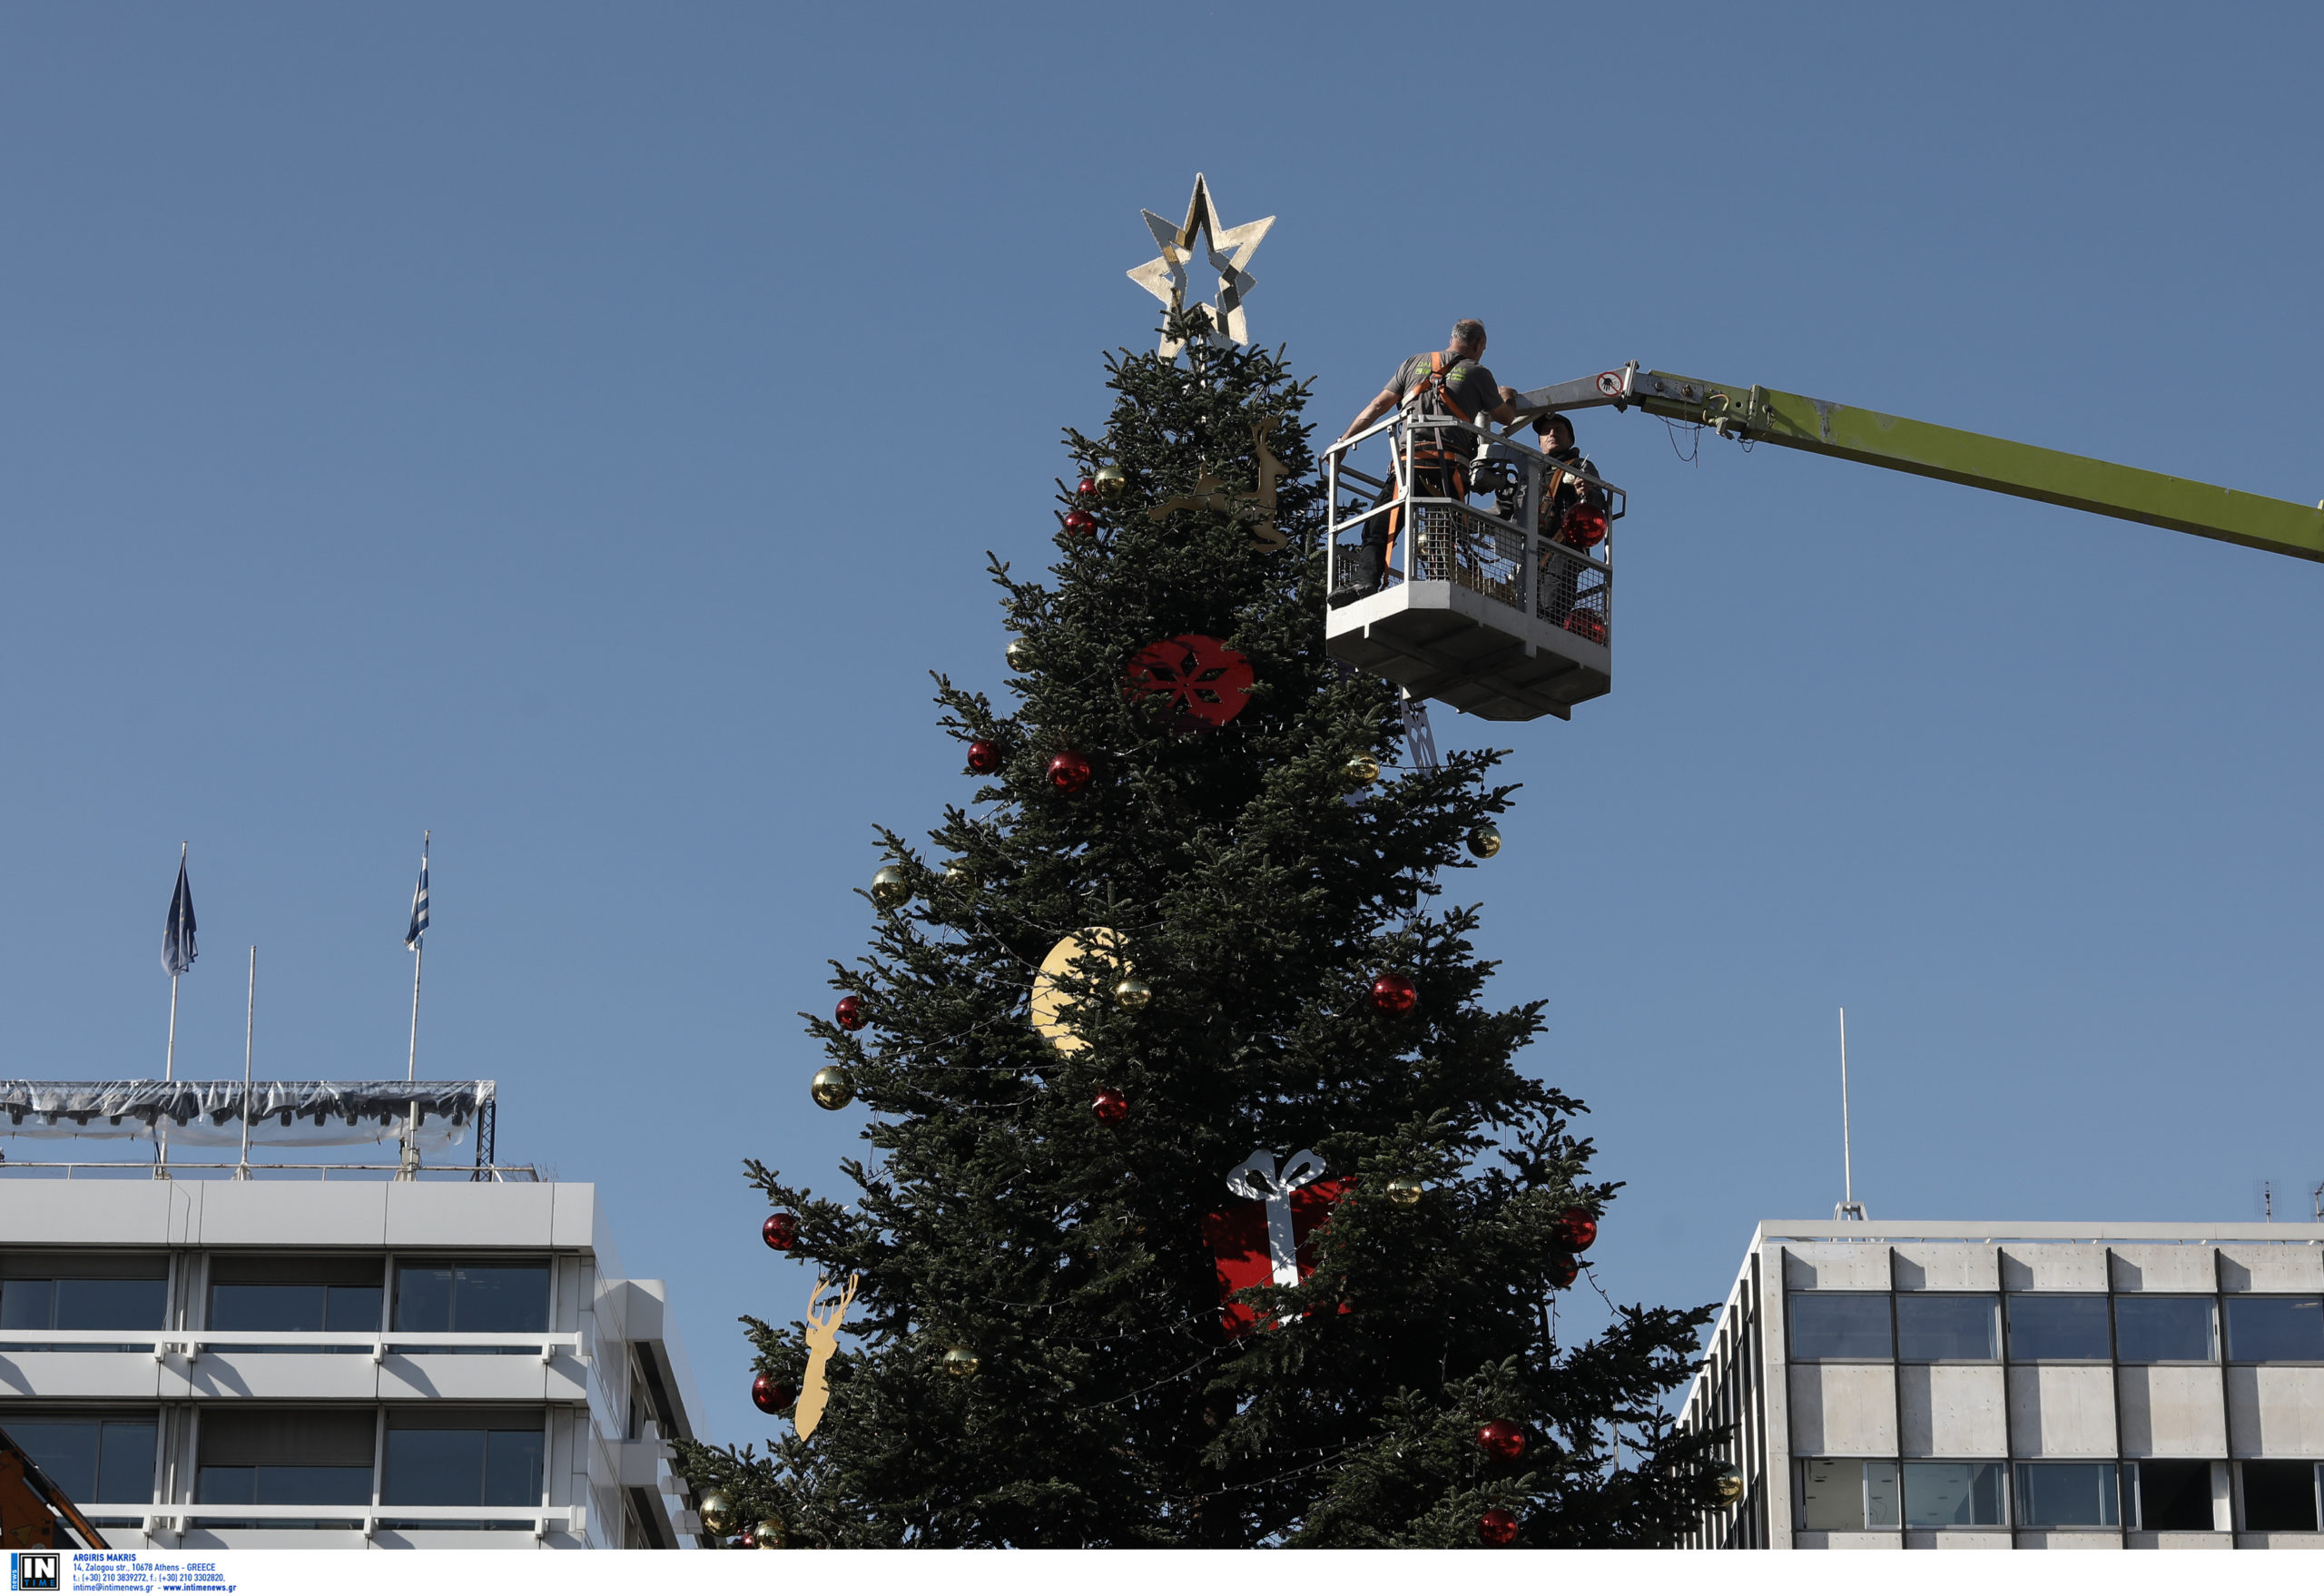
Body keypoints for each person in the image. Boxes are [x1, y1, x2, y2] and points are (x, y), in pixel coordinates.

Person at [1335, 320, 1521, 595]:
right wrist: (1507, 398)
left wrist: (1344, 441)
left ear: (1451, 338)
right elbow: (1505, 417)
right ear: (1477, 345)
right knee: (1442, 535)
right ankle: (1443, 586)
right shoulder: (1478, 372)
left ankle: (1365, 582)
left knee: (1379, 526)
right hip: (1448, 468)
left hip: (1407, 465)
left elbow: (1378, 405)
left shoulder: (1414, 363)